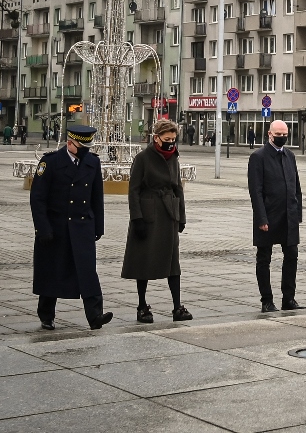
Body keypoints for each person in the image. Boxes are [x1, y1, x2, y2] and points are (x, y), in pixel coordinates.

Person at [30, 125, 113, 331]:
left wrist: (98, 226)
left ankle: (95, 316)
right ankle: (46, 315)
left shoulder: (92, 162)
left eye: (88, 146)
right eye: (82, 146)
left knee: (88, 272)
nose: (86, 150)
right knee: (53, 272)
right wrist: (43, 229)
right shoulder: (50, 162)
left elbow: (96, 198)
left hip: (82, 226)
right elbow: (37, 199)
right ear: (70, 144)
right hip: (56, 228)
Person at [121, 119, 192, 324]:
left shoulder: (174, 158)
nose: (171, 143)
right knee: (143, 261)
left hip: (169, 213)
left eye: (173, 139)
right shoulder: (143, 158)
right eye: (167, 139)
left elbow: (178, 188)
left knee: (172, 263)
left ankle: (177, 306)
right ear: (156, 138)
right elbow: (133, 190)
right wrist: (137, 218)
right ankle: (142, 306)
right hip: (148, 214)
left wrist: (181, 216)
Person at [248, 119, 304, 312]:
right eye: (278, 134)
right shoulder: (258, 157)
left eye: (284, 134)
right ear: (269, 134)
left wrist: (298, 213)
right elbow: (256, 191)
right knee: (264, 258)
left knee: (292, 256)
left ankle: (289, 298)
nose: (282, 138)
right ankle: (267, 300)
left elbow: (296, 186)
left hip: (289, 214)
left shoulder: (290, 155)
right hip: (269, 216)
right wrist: (261, 218)